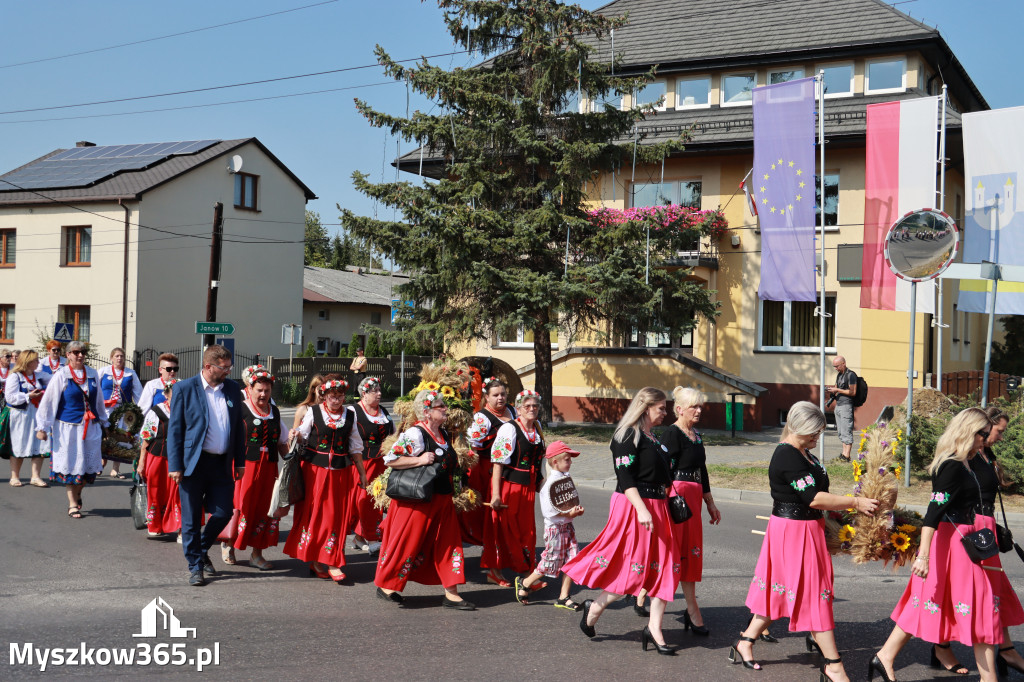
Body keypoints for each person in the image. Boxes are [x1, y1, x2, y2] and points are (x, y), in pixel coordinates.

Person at [733, 401, 878, 681]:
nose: (817, 437)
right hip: (793, 531)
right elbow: (812, 497)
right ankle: (833, 664)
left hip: (807, 528)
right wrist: (854, 502)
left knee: (783, 590)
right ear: (798, 428)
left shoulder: (804, 453)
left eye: (820, 432)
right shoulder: (787, 456)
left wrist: (838, 513)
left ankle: (745, 641)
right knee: (814, 594)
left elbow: (819, 496)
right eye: (814, 432)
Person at [871, 408, 1010, 682]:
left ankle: (885, 656)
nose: (986, 439)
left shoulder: (969, 461)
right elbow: (933, 513)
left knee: (956, 604)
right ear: (969, 432)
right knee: (929, 602)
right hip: (949, 542)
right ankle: (885, 656)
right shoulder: (952, 465)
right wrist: (923, 557)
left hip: (964, 543)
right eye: (982, 434)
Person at [562, 387, 680, 655]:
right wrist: (641, 509)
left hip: (657, 507)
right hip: (634, 506)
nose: (665, 412)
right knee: (631, 569)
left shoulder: (655, 437)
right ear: (645, 408)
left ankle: (654, 628)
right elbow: (625, 478)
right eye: (661, 408)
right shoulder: (627, 435)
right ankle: (595, 607)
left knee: (666, 567)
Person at [374, 389, 474, 610]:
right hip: (417, 503)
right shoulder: (416, 434)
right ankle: (387, 586)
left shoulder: (445, 435)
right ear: (427, 412)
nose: (446, 409)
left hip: (443, 500)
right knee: (407, 545)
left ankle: (452, 593)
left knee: (449, 544)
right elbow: (391, 459)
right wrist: (419, 460)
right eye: (441, 407)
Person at [166, 345, 246, 587]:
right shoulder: (184, 388)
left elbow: (237, 428)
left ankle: (200, 548)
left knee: (224, 512)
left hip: (221, 463)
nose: (228, 371)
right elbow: (175, 429)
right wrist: (176, 464)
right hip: (193, 464)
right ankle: (195, 566)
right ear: (209, 366)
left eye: (229, 367)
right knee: (191, 519)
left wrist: (240, 461)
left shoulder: (231, 388)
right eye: (224, 367)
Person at [283, 376, 366, 584]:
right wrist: (295, 434)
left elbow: (355, 447)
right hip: (314, 472)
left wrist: (363, 475)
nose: (336, 400)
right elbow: (302, 434)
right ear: (325, 395)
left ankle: (332, 560)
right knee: (315, 515)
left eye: (340, 396)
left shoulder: (350, 415)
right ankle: (317, 560)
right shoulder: (314, 412)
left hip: (340, 474)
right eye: (332, 396)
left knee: (335, 516)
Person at [663, 386, 721, 635]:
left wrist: (710, 503)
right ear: (679, 409)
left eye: (700, 407)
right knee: (673, 551)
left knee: (690, 552)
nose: (699, 411)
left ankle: (691, 607)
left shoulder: (696, 435)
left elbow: (703, 470)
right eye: (693, 407)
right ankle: (648, 598)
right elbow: (663, 470)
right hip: (676, 500)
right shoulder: (671, 434)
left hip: (694, 499)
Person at [34, 341, 110, 518]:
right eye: (75, 352)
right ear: (68, 355)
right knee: (71, 465)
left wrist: (105, 423)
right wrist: (42, 427)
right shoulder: (62, 375)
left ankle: (78, 493)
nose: (80, 355)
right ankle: (72, 503)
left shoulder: (92, 374)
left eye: (82, 352)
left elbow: (98, 401)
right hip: (68, 428)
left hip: (90, 427)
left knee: (87, 467)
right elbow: (49, 402)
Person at [225, 366, 289, 570]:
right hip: (244, 467)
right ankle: (229, 544)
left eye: (267, 391)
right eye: (259, 390)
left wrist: (290, 463)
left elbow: (282, 441)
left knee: (265, 509)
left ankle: (256, 554)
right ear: (250, 388)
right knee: (241, 506)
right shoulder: (240, 409)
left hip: (268, 467)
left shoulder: (274, 412)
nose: (263, 394)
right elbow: (227, 438)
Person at [482, 389, 546, 587]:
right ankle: (494, 571)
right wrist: (495, 494)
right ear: (518, 409)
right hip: (509, 487)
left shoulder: (537, 427)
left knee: (527, 531)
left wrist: (543, 485)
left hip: (527, 488)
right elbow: (498, 462)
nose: (531, 409)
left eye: (535, 406)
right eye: (527, 406)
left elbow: (541, 459)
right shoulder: (509, 429)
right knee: (504, 530)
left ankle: (527, 574)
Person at [977, 407, 1024, 677]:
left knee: (998, 594)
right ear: (986, 426)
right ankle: (941, 647)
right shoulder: (969, 455)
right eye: (999, 431)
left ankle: (1006, 652)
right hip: (974, 533)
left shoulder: (987, 454)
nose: (1001, 437)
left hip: (986, 530)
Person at [515, 440, 585, 610]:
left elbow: (568, 500)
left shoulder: (565, 477)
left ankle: (563, 596)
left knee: (572, 560)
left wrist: (575, 510)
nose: (570, 462)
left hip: (568, 526)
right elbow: (549, 511)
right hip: (555, 528)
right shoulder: (549, 484)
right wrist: (569, 514)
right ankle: (525, 583)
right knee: (550, 561)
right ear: (556, 462)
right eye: (567, 459)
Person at [464, 376, 517, 577]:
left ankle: (508, 556)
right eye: (495, 395)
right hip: (488, 472)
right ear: (486, 397)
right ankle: (492, 565)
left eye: (503, 394)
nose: (500, 398)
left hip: (510, 471)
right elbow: (473, 449)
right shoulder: (481, 418)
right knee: (493, 518)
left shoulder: (512, 411)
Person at [349, 376, 394, 553]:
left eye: (379, 390)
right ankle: (372, 537)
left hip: (382, 463)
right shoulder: (353, 411)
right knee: (364, 501)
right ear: (364, 394)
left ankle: (362, 537)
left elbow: (392, 432)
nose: (379, 393)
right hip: (362, 463)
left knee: (377, 501)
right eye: (375, 391)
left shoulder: (383, 412)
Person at [137, 380, 181, 537]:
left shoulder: (187, 410)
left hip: (179, 459)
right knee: (156, 490)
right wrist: (142, 462)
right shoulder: (157, 411)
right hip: (158, 457)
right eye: (173, 393)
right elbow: (146, 437)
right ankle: (155, 525)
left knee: (178, 493)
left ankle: (180, 528)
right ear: (166, 394)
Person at [6, 349, 49, 487]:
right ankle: (14, 476)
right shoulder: (15, 376)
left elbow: (55, 379)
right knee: (19, 443)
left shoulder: (39, 375)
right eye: (36, 360)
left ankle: (35, 476)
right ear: (28, 362)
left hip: (36, 413)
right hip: (20, 415)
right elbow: (10, 397)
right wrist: (27, 396)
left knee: (39, 444)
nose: (38, 362)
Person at [98, 347, 142, 479]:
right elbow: (95, 390)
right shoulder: (103, 371)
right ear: (111, 358)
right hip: (106, 410)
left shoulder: (130, 373)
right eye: (116, 356)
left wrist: (141, 411)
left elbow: (138, 393)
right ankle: (100, 465)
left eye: (121, 356)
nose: (119, 358)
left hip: (123, 410)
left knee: (118, 438)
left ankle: (115, 469)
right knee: (104, 437)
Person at [826, 355, 858, 462]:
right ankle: (843, 453)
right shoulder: (839, 375)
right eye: (834, 366)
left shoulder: (851, 375)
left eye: (837, 366)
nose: (835, 368)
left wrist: (838, 389)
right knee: (841, 431)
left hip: (846, 406)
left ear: (843, 364)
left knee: (846, 430)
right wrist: (832, 390)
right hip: (838, 405)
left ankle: (847, 456)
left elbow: (852, 392)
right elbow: (836, 388)